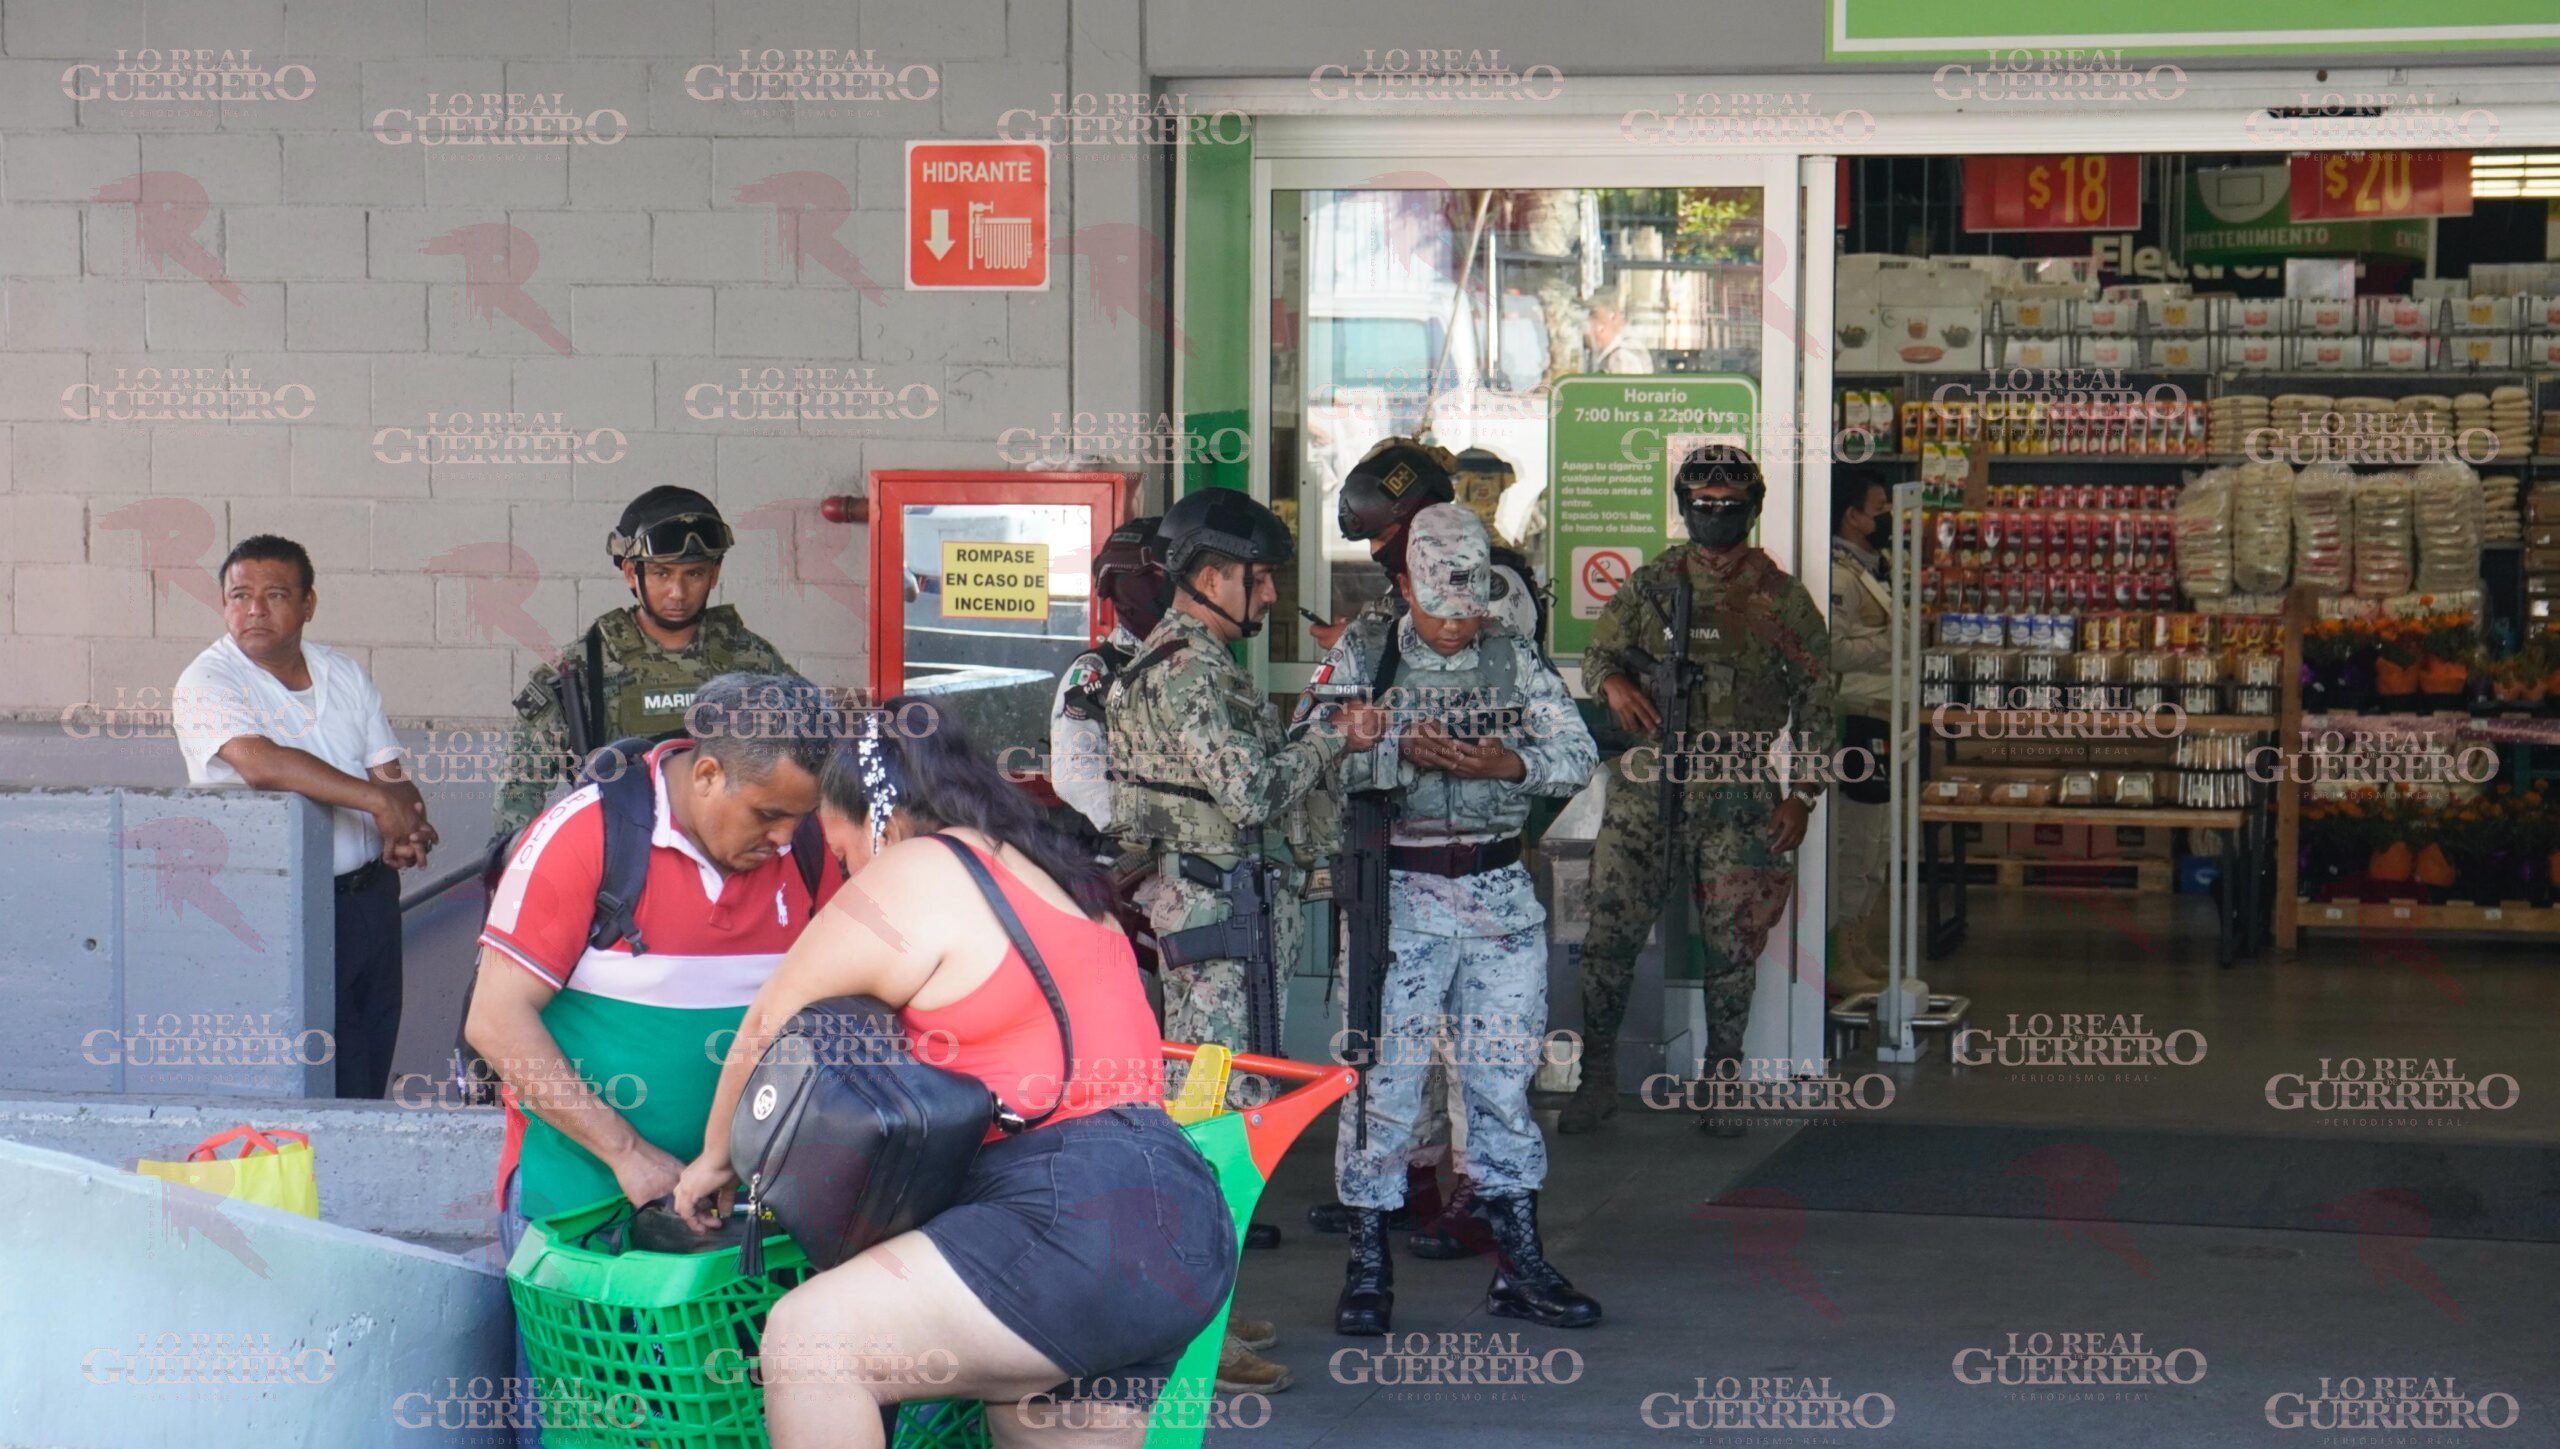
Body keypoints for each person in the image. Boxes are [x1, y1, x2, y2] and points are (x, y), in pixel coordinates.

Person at [669, 701, 1235, 1448]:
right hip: (1178, 1223)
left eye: (841, 857)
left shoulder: (923, 866)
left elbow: (770, 1018)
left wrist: (714, 1162)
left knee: (813, 1341)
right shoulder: (1057, 884)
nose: (845, 880)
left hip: (1064, 1210)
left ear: (878, 822)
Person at [1104, 486, 1386, 1394]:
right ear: (1214, 575)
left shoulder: (1201, 664)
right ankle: (1195, 1332)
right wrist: (1334, 738)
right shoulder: (1188, 671)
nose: (1269, 599)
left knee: (1226, 1118)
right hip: (1217, 930)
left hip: (1231, 921)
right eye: (1260, 580)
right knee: (1213, 1131)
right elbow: (1254, 792)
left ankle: (1209, 1305)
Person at [1319, 504, 1601, 1337]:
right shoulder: (1364, 655)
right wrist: (1390, 752)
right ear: (1404, 585)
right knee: (1383, 1089)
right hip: (1398, 899)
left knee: (1502, 1084)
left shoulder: (1513, 654)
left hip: (1498, 895)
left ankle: (1519, 1261)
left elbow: (1577, 751)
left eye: (1467, 609)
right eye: (1439, 611)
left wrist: (1509, 762)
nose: (1454, 627)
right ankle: (1368, 1258)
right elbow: (1308, 753)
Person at [1300, 437, 1545, 1254]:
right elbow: (1320, 724)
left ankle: (1484, 1197)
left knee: (1483, 1051)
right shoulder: (1382, 622)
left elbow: (1490, 696)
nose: (1393, 562)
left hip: (1478, 853)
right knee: (1388, 1045)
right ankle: (1401, 1186)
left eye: (1397, 539)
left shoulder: (1493, 586)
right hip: (1395, 861)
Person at [1560, 445, 1834, 1137]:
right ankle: (1595, 1078)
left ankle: (1722, 1078)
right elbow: (1598, 655)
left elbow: (1819, 699)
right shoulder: (1651, 584)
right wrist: (1614, 683)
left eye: (1728, 505)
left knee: (1732, 946)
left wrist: (1803, 792)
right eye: (1703, 504)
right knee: (1609, 933)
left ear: (1751, 508)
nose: (1714, 515)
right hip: (1651, 776)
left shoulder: (1782, 599)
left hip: (1739, 784)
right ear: (1685, 506)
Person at [173, 535, 434, 1099]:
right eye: (239, 595)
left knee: (369, 1056)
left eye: (275, 594)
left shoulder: (341, 673)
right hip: (280, 911)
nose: (254, 609)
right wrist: (376, 803)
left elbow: (387, 771)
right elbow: (263, 764)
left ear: (308, 604)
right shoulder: (207, 681)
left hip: (369, 898)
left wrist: (408, 821)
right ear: (223, 605)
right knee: (312, 1075)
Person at [494, 487, 797, 844]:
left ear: (714, 574)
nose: (678, 593)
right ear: (629, 574)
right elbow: (519, 798)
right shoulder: (576, 675)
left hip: (731, 861)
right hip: (623, 869)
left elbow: (808, 763)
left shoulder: (754, 662)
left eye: (695, 574)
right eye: (661, 574)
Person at [1049, 515, 1171, 833]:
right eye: (1160, 575)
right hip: (1123, 856)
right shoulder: (1096, 670)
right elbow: (1076, 777)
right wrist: (1152, 832)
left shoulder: (1191, 660)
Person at [1828, 465, 1897, 996]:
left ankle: (1858, 942)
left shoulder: (1879, 566)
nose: (1889, 516)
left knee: (1877, 846)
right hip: (1853, 718)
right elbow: (1829, 648)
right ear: (1852, 517)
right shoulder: (1838, 575)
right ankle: (1836, 959)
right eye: (1880, 508)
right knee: (1853, 842)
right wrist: (1893, 642)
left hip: (1882, 715)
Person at [1584, 290, 1655, 375]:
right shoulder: (1617, 354)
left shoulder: (1620, 358)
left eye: (1586, 328)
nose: (1584, 334)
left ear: (1600, 329)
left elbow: (1625, 387)